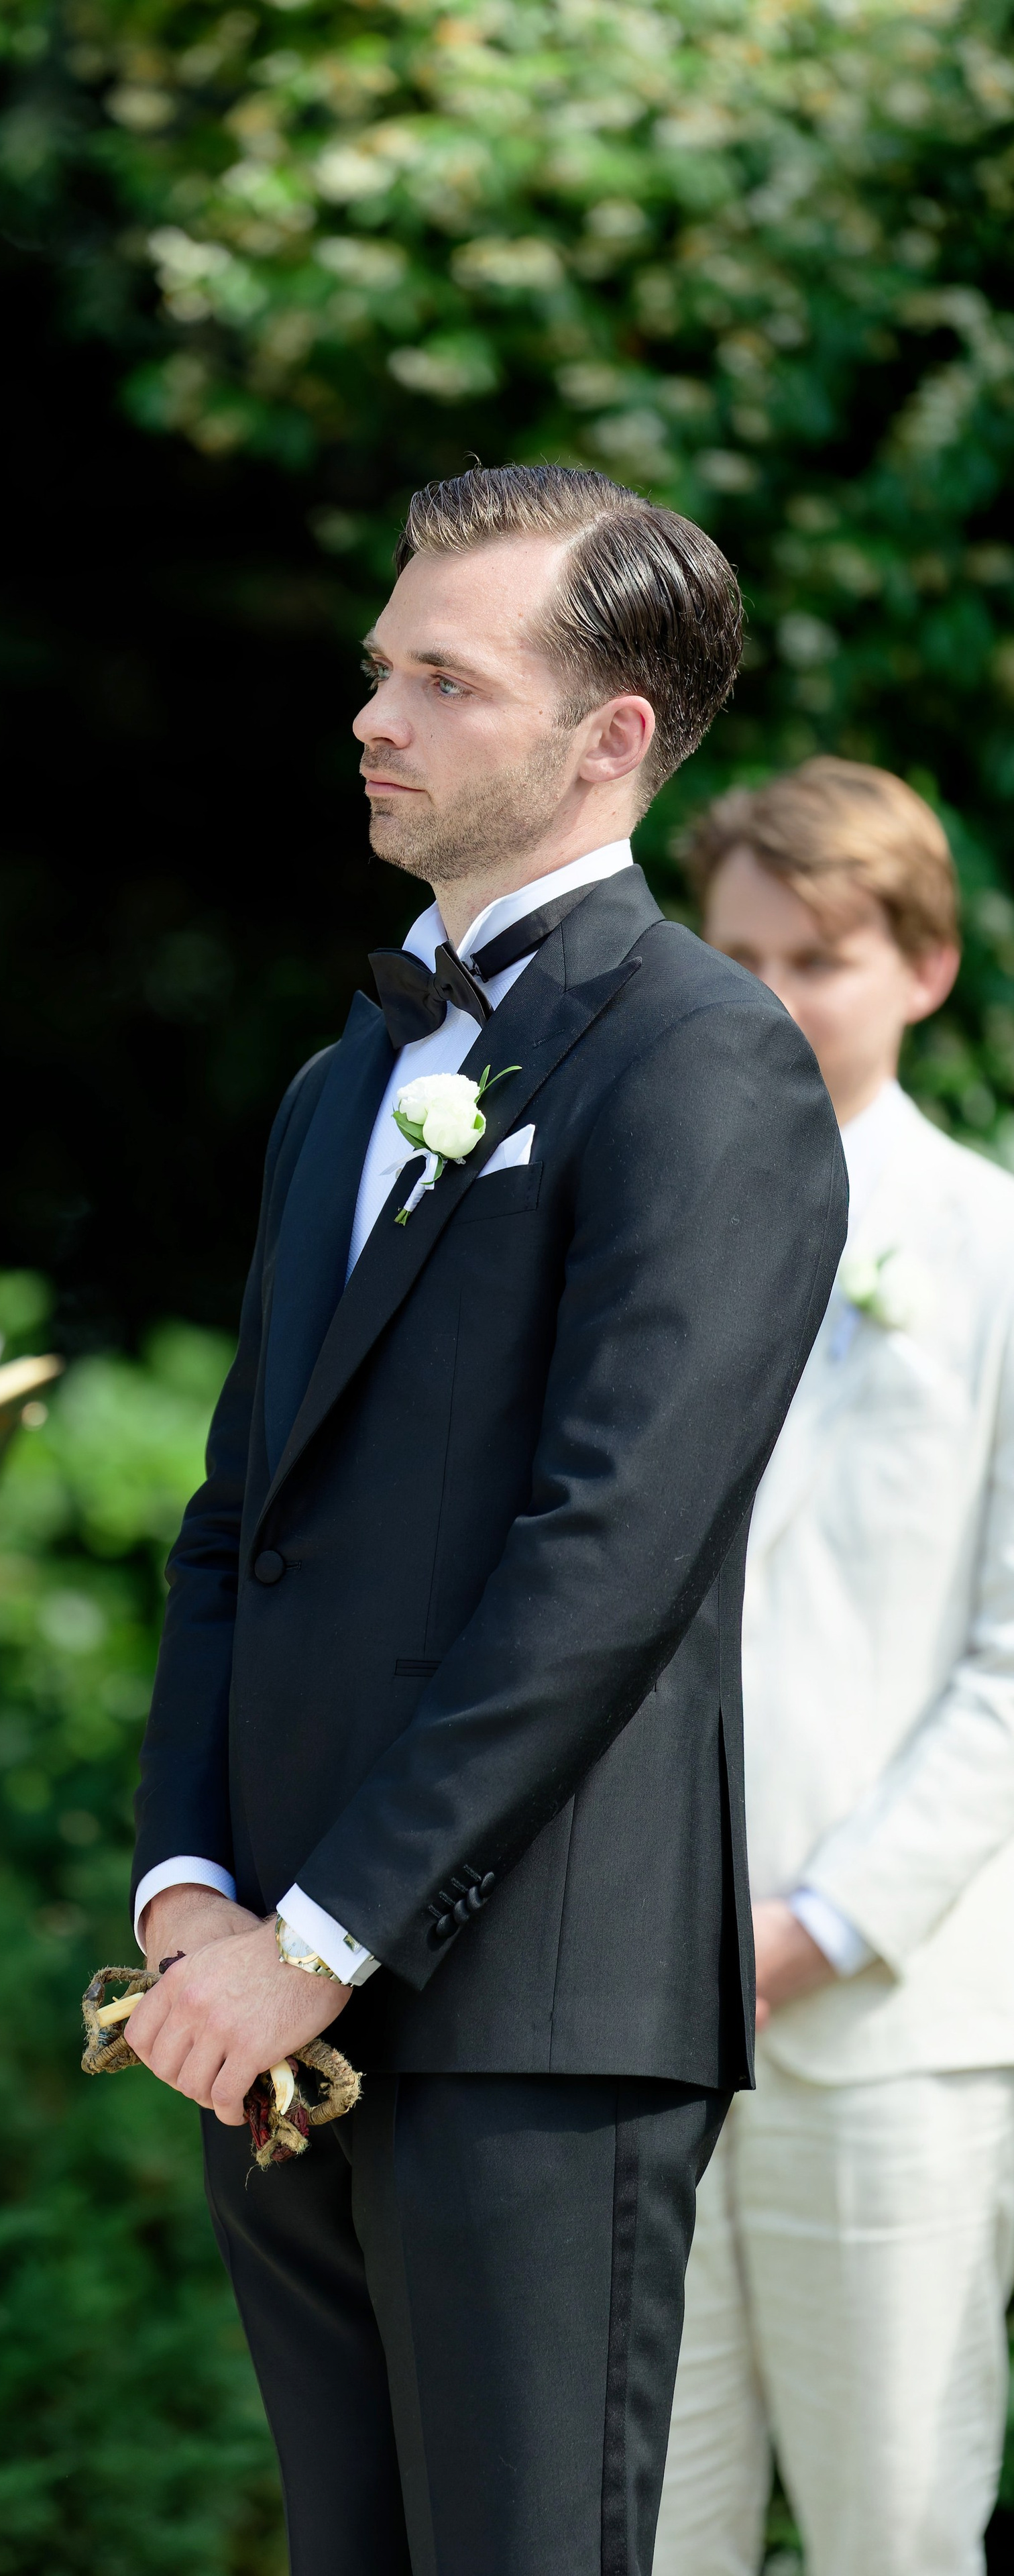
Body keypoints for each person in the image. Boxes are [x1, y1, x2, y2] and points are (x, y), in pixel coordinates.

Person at [123, 464, 847, 2576]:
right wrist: (189, 1895)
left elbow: (607, 1559)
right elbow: (235, 1518)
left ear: (608, 736)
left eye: (446, 679)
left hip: (531, 2015)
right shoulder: (341, 1084)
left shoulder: (710, 1065)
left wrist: (324, 1939)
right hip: (262, 2014)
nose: (379, 716)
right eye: (381, 670)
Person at [654, 759, 1014, 2576]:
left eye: (823, 958)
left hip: (888, 2028)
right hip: (627, 2017)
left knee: (895, 2535)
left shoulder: (997, 1252)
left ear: (926, 967)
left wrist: (823, 1921)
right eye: (737, 956)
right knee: (639, 2536)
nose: (776, 999)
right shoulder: (618, 1235)